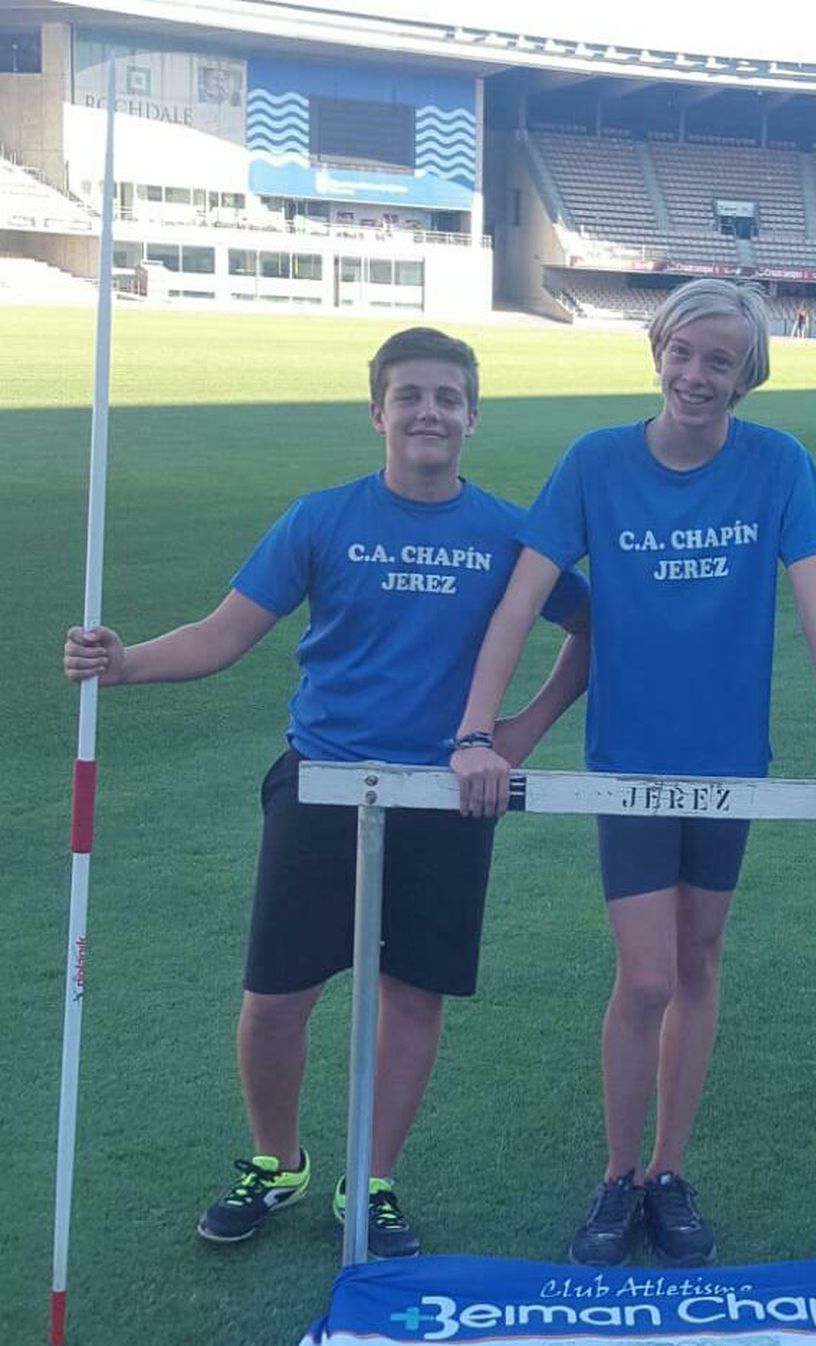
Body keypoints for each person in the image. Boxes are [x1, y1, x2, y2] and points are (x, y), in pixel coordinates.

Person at [62, 328, 591, 1258]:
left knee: (413, 996)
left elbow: (594, 629)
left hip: (445, 796)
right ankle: (277, 1162)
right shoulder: (322, 517)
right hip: (323, 781)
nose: (429, 412)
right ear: (377, 410)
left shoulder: (513, 533)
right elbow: (224, 633)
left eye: (447, 396)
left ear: (473, 413)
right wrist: (125, 664)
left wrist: (518, 733)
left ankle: (372, 1179)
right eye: (410, 395)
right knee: (274, 1000)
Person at [449, 279, 816, 1268]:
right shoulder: (595, 462)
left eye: (719, 361)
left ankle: (668, 1172)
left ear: (747, 375)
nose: (696, 375)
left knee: (698, 962)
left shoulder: (779, 464)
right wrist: (479, 731)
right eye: (683, 352)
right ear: (657, 351)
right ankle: (616, 1174)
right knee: (645, 974)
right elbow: (520, 606)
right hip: (630, 758)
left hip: (728, 759)